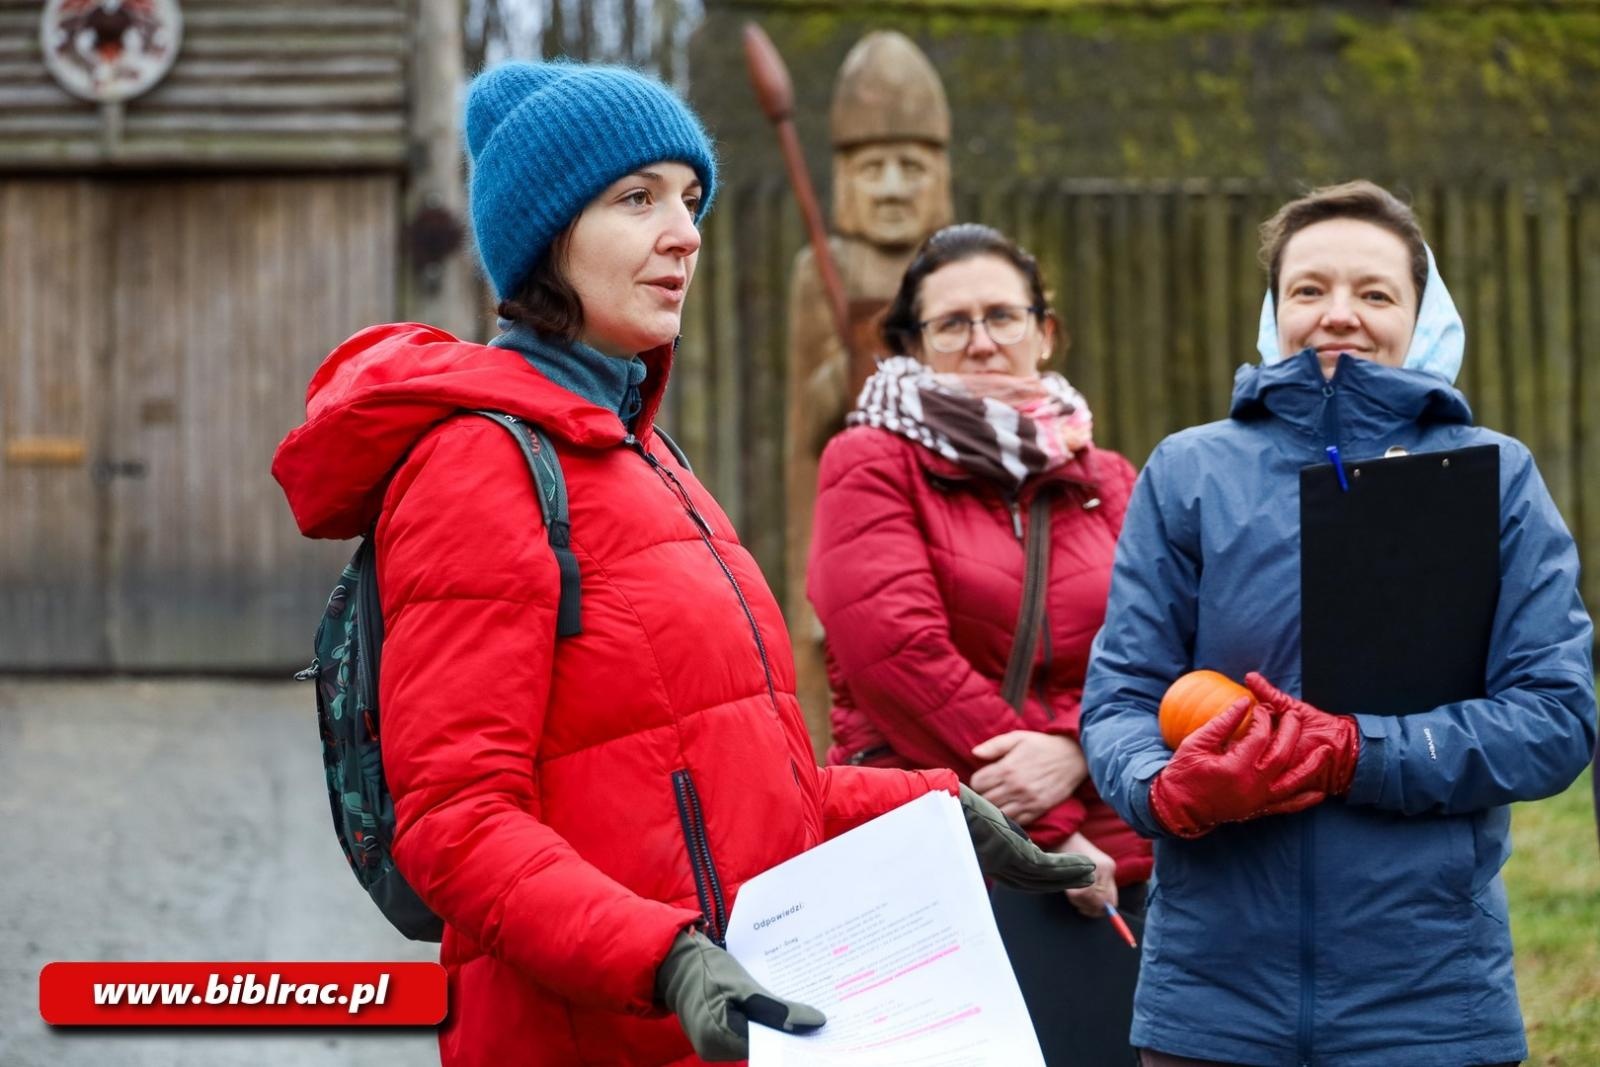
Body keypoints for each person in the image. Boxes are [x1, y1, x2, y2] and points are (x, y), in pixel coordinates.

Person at [272, 62, 1090, 1067]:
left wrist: (935, 809)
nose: (686, 233)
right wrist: (660, 956)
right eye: (638, 198)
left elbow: (738, 784)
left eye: (690, 199)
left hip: (723, 1027)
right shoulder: (480, 463)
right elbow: (454, 822)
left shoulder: (650, 459)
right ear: (546, 236)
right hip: (582, 1037)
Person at [1081, 180, 1596, 1067]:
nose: (1339, 314)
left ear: (1421, 316)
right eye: (1310, 289)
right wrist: (1163, 789)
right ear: (1274, 311)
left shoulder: (1494, 476)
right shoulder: (1189, 471)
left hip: (1431, 1002)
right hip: (1211, 1000)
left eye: (1375, 293)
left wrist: (1361, 752)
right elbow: (1121, 696)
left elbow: (1555, 715)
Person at [808, 223, 1154, 1066]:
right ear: (912, 346)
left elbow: (1160, 647)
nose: (982, 340)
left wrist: (1075, 745)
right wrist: (1050, 832)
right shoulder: (869, 460)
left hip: (1119, 861)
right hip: (939, 857)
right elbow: (897, 657)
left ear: (1045, 330)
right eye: (952, 323)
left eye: (1002, 315)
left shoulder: (1107, 478)